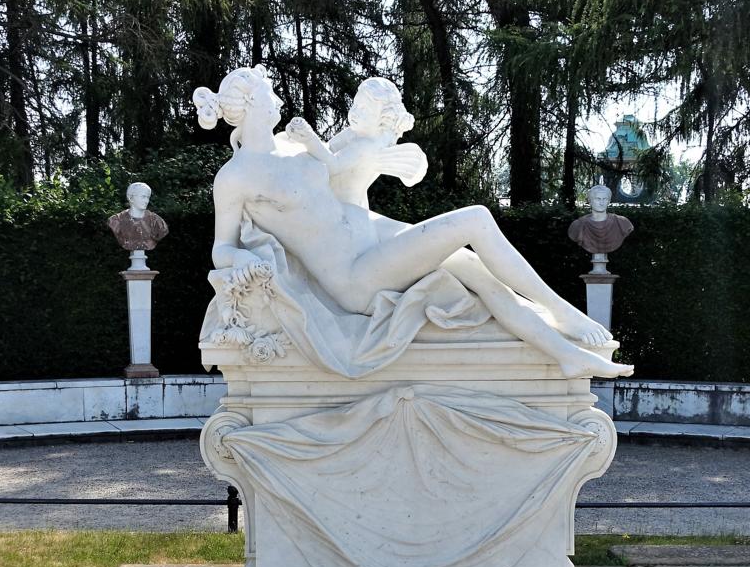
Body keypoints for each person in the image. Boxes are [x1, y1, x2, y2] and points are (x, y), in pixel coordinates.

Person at [195, 67, 631, 379]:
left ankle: (564, 350)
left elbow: (350, 158)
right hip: (354, 275)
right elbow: (221, 248)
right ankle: (564, 313)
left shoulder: (292, 146)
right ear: (252, 105)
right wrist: (241, 261)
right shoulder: (235, 177)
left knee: (475, 270)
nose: (278, 99)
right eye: (270, 94)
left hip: (373, 237)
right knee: (475, 219)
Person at [568, 181, 634, 255]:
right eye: (598, 199)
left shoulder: (621, 222)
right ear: (590, 201)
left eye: (605, 199)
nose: (601, 203)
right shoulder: (579, 225)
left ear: (609, 201)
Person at [106, 181, 169, 251]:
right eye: (143, 197)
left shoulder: (156, 221)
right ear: (130, 198)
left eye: (148, 197)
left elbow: (163, 231)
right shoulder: (116, 220)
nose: (146, 201)